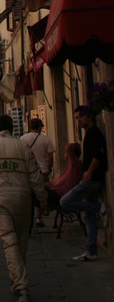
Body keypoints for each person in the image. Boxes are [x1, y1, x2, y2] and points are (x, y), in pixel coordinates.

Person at [0, 114, 49, 302]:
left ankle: (20, 284)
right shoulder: (22, 146)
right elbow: (35, 176)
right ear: (12, 128)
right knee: (21, 239)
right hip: (22, 197)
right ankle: (18, 280)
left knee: (9, 241)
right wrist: (42, 200)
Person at [60, 106, 108, 262]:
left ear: (89, 116)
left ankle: (98, 207)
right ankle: (91, 250)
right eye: (76, 119)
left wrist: (89, 172)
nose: (78, 121)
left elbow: (98, 154)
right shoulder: (89, 133)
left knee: (65, 201)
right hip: (91, 179)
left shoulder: (94, 133)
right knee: (89, 218)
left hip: (92, 180)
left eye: (79, 118)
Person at [20, 117, 55, 227]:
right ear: (40, 127)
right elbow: (50, 157)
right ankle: (39, 218)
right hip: (42, 171)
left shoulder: (23, 138)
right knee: (41, 195)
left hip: (28, 172)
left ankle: (28, 218)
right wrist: (49, 169)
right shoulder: (45, 139)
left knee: (28, 195)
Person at [45, 142, 83, 210]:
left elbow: (70, 152)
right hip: (56, 193)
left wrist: (70, 148)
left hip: (60, 196)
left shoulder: (75, 164)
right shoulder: (69, 167)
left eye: (65, 152)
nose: (64, 154)